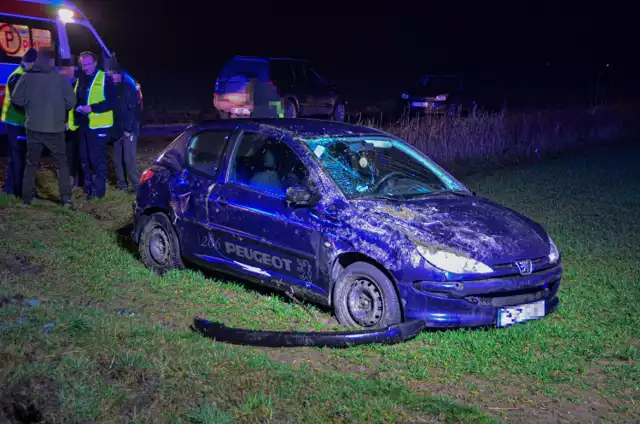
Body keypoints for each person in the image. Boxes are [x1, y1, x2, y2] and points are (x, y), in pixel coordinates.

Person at [10, 47, 77, 207]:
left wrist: (30, 107)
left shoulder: (27, 77)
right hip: (55, 128)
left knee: (31, 163)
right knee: (61, 164)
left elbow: (16, 99)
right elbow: (71, 102)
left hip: (33, 127)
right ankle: (66, 199)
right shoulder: (60, 79)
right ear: (52, 61)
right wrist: (59, 110)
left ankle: (27, 198)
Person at [68, 51, 115, 200]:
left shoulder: (105, 78)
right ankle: (88, 191)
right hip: (83, 125)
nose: (86, 67)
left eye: (88, 64)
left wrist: (92, 108)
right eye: (83, 64)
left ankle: (98, 193)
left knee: (97, 160)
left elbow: (111, 102)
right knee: (84, 159)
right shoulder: (80, 79)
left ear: (95, 63)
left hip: (98, 126)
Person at [1, 48, 38, 197]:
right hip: (17, 123)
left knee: (16, 157)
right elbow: (18, 103)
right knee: (20, 157)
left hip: (17, 122)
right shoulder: (18, 76)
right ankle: (20, 190)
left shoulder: (24, 74)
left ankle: (10, 188)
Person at [106, 59, 141, 192]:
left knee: (128, 159)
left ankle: (137, 185)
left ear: (119, 73)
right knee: (117, 160)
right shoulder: (112, 89)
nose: (111, 76)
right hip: (117, 130)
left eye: (113, 73)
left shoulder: (127, 88)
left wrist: (129, 129)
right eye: (109, 74)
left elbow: (133, 111)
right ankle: (122, 185)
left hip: (128, 130)